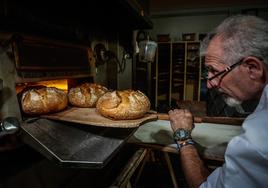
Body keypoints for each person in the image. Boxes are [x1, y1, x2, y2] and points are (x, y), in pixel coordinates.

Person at [168, 15, 268, 188]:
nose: (209, 83)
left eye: (215, 71)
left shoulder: (259, 139)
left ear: (252, 68)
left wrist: (183, 136)